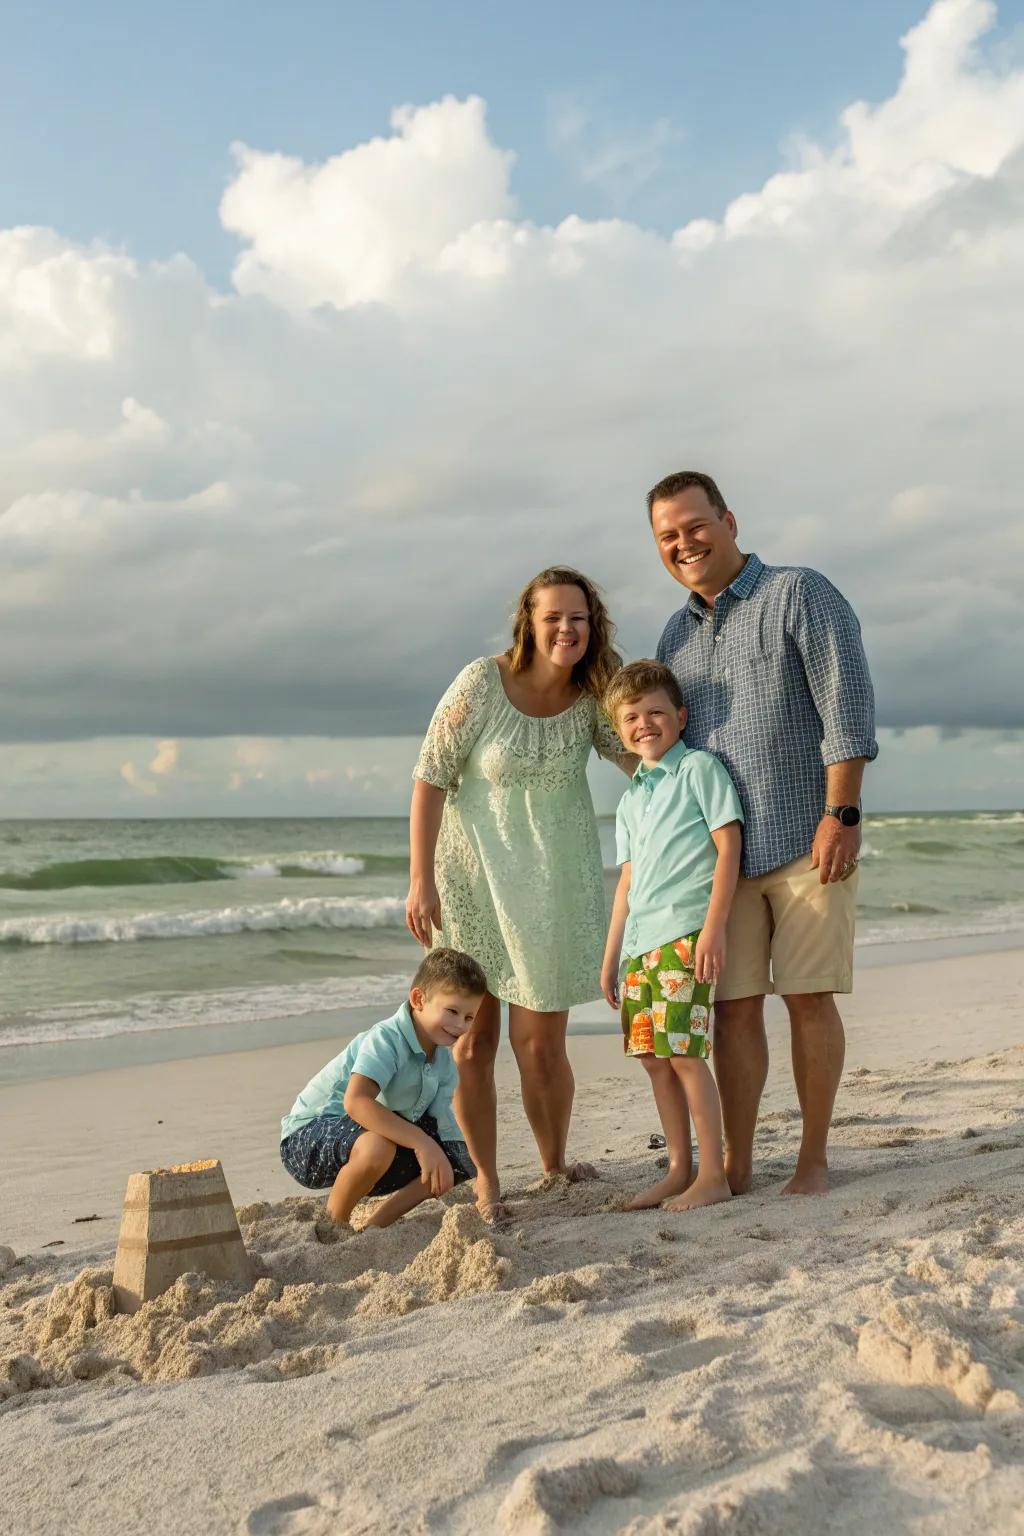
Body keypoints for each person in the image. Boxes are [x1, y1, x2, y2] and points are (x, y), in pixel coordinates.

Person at [650, 469, 878, 1196]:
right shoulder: (672, 635)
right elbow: (666, 748)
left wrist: (842, 814)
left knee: (809, 998)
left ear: (729, 520)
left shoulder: (798, 593)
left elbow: (846, 703)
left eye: (694, 526)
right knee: (731, 1011)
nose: (683, 543)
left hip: (807, 839)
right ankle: (739, 1164)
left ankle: (813, 1161)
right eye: (667, 536)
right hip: (721, 859)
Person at [406, 567, 635, 1221]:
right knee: (473, 1043)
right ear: (528, 623)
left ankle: (554, 1162)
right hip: (471, 881)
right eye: (554, 617)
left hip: (552, 889)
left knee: (541, 1045)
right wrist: (420, 879)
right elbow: (429, 777)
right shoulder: (482, 683)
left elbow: (639, 757)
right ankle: (484, 1178)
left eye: (579, 619)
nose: (567, 629)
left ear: (594, 628)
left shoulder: (592, 698)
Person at [600, 661, 743, 1211]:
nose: (644, 724)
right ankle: (678, 1168)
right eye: (631, 717)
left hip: (684, 936)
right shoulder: (630, 800)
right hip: (639, 946)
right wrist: (612, 956)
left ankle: (713, 1174)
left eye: (656, 712)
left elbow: (728, 847)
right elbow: (626, 884)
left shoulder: (699, 770)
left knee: (684, 1053)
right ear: (619, 730)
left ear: (679, 717)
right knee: (653, 1058)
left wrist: (713, 928)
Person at [279, 948, 485, 1229]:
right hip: (308, 1137)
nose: (460, 1025)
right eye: (452, 1011)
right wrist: (422, 1143)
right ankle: (333, 1226)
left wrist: (447, 1156)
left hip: (365, 1140)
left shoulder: (444, 1064)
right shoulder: (386, 1039)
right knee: (379, 1146)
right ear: (418, 999)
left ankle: (374, 1227)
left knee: (453, 1162)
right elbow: (356, 1102)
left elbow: (442, 1126)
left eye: (469, 1018)